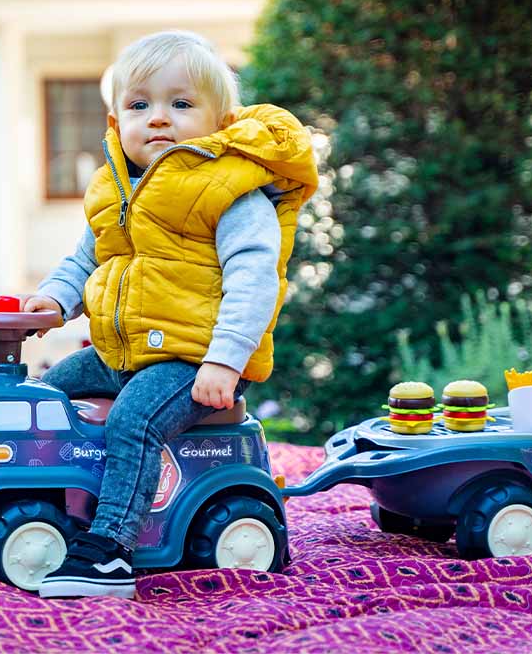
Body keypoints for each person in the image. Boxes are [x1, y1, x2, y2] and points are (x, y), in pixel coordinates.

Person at [19, 30, 318, 599]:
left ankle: (109, 549)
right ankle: (51, 501)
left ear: (221, 119)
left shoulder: (231, 192)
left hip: (192, 361)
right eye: (140, 105)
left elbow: (255, 282)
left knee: (134, 420)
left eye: (180, 104)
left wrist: (224, 363)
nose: (158, 119)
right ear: (115, 120)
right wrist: (54, 300)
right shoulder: (116, 189)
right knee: (45, 395)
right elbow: (87, 257)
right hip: (125, 353)